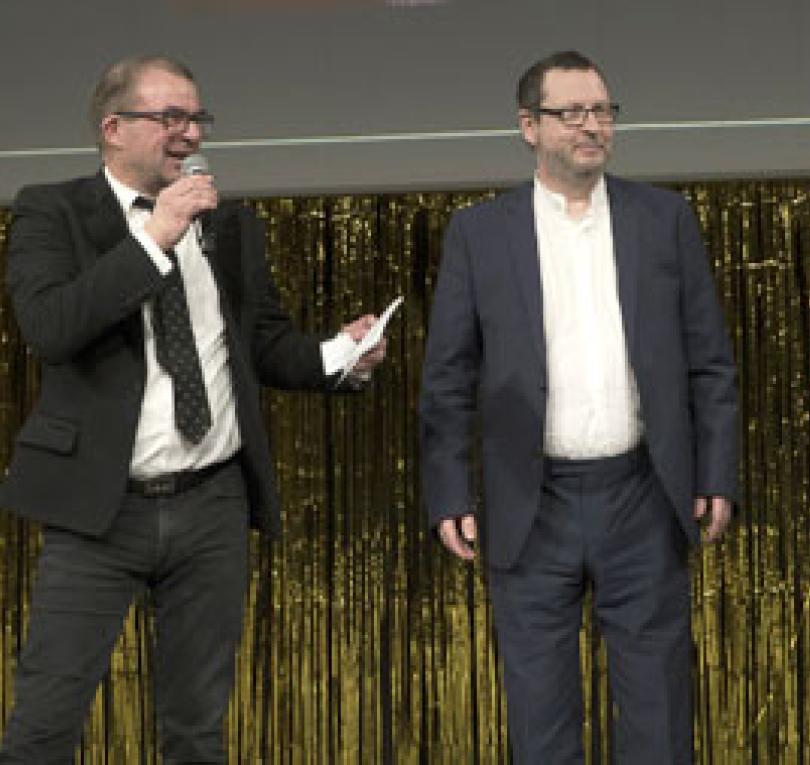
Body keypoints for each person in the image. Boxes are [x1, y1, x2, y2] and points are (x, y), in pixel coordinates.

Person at [0, 55, 386, 762]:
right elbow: (52, 327)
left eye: (196, 118)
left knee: (196, 729)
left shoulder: (229, 224)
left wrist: (342, 355)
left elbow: (262, 344)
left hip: (211, 504)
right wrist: (156, 236)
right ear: (113, 129)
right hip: (99, 510)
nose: (190, 133)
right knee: (45, 724)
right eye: (170, 118)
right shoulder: (52, 211)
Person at [419, 50, 740, 763]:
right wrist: (449, 491)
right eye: (572, 113)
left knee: (658, 718)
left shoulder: (664, 218)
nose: (592, 125)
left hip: (643, 494)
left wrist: (716, 473)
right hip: (530, 502)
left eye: (602, 111)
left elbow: (709, 361)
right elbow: (447, 378)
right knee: (540, 724)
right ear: (529, 126)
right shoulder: (479, 233)